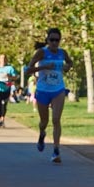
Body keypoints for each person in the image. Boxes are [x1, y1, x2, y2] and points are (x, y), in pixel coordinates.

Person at [26, 28, 73, 163]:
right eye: (51, 40)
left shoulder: (62, 53)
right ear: (47, 40)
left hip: (58, 89)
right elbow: (28, 69)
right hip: (42, 90)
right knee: (44, 122)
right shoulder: (41, 52)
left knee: (56, 119)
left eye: (57, 40)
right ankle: (42, 134)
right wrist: (44, 67)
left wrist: (67, 67)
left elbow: (70, 63)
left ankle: (56, 150)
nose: (54, 43)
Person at [0, 54, 17, 128]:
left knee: (4, 104)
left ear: (7, 60)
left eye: (4, 58)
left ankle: (3, 119)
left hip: (6, 88)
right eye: (1, 58)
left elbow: (15, 77)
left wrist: (10, 77)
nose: (3, 60)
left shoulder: (10, 68)